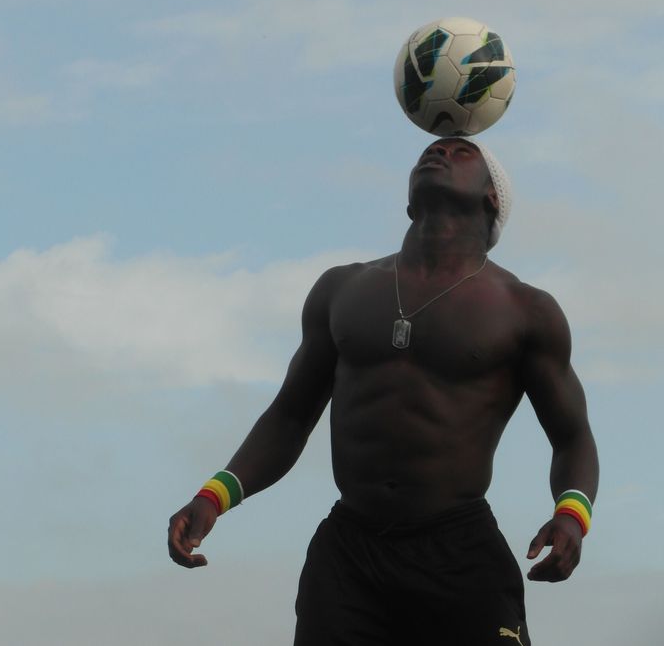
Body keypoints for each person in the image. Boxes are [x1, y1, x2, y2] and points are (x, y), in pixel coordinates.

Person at [168, 137, 599, 645]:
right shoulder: (343, 289)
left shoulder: (525, 309)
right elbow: (289, 416)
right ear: (410, 201)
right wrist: (213, 496)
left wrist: (572, 517)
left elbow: (572, 438)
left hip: (458, 553)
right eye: (429, 152)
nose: (436, 154)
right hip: (350, 552)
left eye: (461, 152)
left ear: (492, 197)